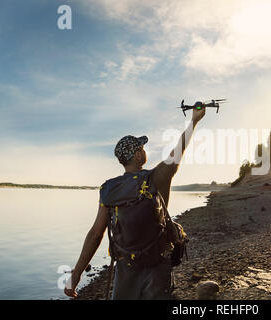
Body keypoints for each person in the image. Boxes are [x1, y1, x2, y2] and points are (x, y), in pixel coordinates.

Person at [64, 107, 206, 299]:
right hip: (157, 265)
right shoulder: (155, 178)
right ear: (138, 156)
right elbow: (177, 153)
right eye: (142, 148)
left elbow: (96, 233)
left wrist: (76, 274)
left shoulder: (108, 188)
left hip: (125, 267)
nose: (144, 151)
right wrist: (194, 121)